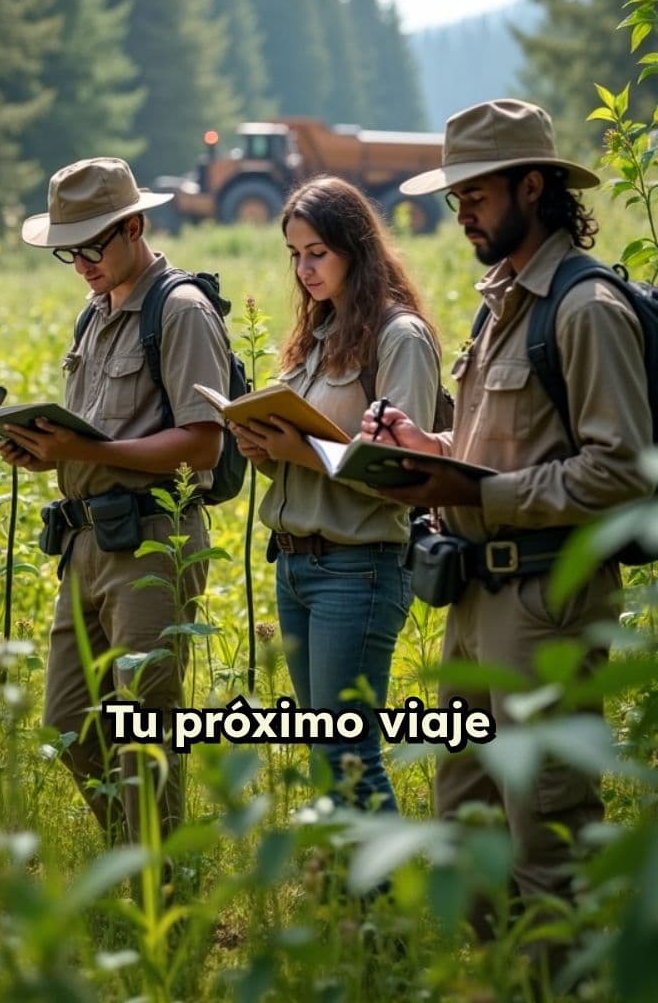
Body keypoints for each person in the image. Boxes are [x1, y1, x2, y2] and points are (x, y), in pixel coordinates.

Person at [361, 100, 653, 935]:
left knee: (546, 834)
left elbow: (621, 470)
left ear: (536, 185)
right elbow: (505, 441)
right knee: (468, 829)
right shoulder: (502, 303)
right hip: (472, 597)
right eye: (455, 201)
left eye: (477, 197)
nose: (462, 217)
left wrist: (473, 495)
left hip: (546, 604)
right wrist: (428, 445)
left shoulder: (585, 307)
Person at [0, 157, 230, 842]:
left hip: (153, 543)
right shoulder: (92, 314)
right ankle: (137, 857)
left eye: (93, 246)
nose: (82, 264)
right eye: (69, 251)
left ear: (135, 226)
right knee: (69, 724)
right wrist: (43, 453)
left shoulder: (179, 310)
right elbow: (95, 436)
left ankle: (164, 895)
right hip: (86, 543)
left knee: (144, 727)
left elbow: (203, 445)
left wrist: (84, 454)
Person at [230, 175, 441, 811]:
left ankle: (379, 902)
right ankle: (347, 902)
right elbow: (307, 457)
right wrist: (266, 450)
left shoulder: (398, 337)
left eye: (317, 252)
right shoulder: (320, 335)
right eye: (295, 255)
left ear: (356, 247)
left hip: (359, 566)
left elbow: (404, 470)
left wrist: (302, 452)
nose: (304, 269)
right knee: (323, 747)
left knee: (347, 754)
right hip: (294, 564)